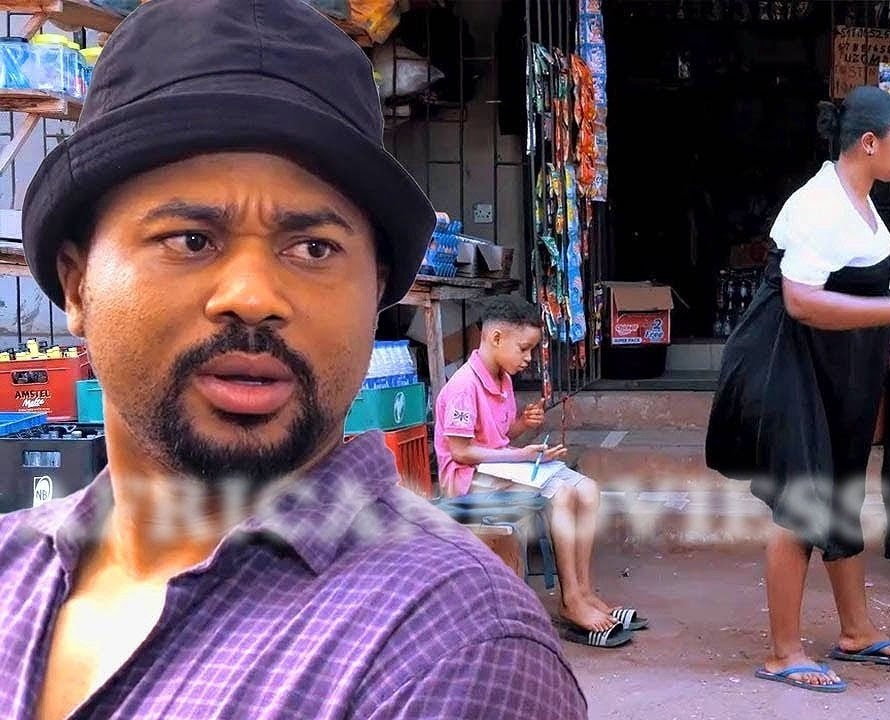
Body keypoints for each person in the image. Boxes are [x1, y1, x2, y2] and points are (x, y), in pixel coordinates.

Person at [0, 2, 586, 719]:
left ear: (375, 293)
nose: (253, 297)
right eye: (190, 239)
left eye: (313, 248)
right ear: (77, 284)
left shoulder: (448, 655)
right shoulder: (11, 569)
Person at [705, 86, 890, 694]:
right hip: (787, 361)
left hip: (839, 370)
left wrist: (883, 337)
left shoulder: (861, 201)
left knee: (840, 493)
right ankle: (783, 652)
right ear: (869, 143)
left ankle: (856, 632)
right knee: (803, 501)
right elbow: (801, 301)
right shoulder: (815, 205)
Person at [434, 297, 646, 649]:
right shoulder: (462, 386)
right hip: (466, 479)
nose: (529, 358)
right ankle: (570, 600)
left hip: (496, 467)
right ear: (496, 338)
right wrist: (520, 455)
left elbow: (498, 437)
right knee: (561, 494)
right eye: (524, 348)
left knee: (588, 489)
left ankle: (584, 591)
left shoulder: (502, 378)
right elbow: (461, 452)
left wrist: (521, 424)